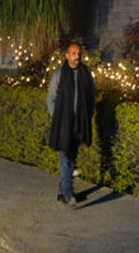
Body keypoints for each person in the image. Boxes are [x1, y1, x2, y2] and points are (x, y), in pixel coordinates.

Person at [46, 40, 95, 208]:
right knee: (66, 157)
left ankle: (62, 191)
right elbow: (51, 98)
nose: (77, 57)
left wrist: (87, 115)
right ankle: (68, 194)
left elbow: (91, 97)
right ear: (67, 55)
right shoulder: (59, 74)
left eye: (78, 54)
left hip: (78, 123)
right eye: (73, 54)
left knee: (71, 157)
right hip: (63, 124)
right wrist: (56, 117)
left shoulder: (85, 73)